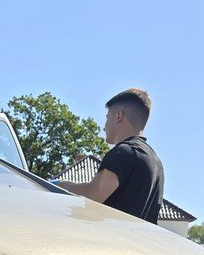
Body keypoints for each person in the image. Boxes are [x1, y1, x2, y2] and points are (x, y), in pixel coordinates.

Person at [59, 88, 165, 224]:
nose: (104, 127)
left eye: (107, 118)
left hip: (109, 241)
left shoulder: (125, 152)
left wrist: (60, 185)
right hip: (135, 243)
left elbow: (93, 193)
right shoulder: (156, 163)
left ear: (118, 116)